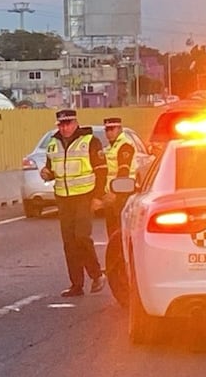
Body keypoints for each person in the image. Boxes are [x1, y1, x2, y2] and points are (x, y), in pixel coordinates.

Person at [39, 109, 107, 297]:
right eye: (61, 124)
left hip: (84, 195)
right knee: (69, 242)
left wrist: (98, 197)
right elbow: (51, 170)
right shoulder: (53, 143)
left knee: (81, 237)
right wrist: (46, 173)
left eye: (68, 123)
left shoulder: (90, 141)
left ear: (76, 123)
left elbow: (101, 170)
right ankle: (76, 284)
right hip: (63, 197)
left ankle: (96, 274)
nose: (65, 128)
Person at [101, 117, 135, 305]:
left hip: (122, 196)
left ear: (120, 129)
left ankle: (122, 273)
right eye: (107, 129)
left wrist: (114, 193)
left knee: (119, 238)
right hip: (112, 197)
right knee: (113, 237)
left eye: (112, 129)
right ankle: (118, 271)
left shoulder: (125, 146)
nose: (109, 132)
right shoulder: (110, 148)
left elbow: (123, 172)